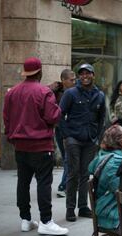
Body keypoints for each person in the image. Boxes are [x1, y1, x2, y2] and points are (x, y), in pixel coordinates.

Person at [3, 57, 68, 236]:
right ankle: (46, 221)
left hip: (20, 146)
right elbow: (53, 117)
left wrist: (12, 137)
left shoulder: (12, 92)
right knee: (44, 183)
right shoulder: (44, 92)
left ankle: (25, 219)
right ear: (40, 72)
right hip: (40, 145)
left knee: (23, 183)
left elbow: (7, 120)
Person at [60, 63, 106, 222]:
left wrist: (97, 138)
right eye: (82, 74)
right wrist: (66, 135)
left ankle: (83, 207)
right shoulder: (70, 93)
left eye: (88, 73)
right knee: (73, 173)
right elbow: (60, 115)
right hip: (73, 138)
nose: (85, 76)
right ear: (79, 77)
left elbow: (102, 119)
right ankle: (70, 208)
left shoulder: (100, 95)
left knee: (86, 174)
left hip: (90, 140)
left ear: (93, 75)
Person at [49, 69, 76, 198]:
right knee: (67, 158)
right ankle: (63, 186)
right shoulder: (56, 92)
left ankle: (67, 184)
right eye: (71, 79)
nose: (74, 81)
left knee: (68, 158)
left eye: (74, 79)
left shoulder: (75, 91)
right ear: (63, 80)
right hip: (61, 129)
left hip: (70, 128)